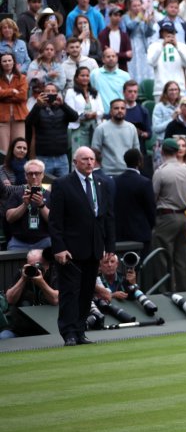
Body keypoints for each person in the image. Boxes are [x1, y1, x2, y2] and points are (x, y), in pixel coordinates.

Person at [49, 146, 116, 346]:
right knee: (70, 292)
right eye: (85, 159)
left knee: (87, 292)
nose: (89, 162)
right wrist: (59, 247)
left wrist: (110, 245)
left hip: (94, 248)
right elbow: (55, 220)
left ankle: (80, 330)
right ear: (75, 162)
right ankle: (68, 332)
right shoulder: (62, 184)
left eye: (92, 159)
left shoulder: (102, 183)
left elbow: (108, 217)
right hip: (70, 249)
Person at [151, 137, 186, 292]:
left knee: (163, 258)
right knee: (181, 259)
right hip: (183, 217)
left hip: (166, 216)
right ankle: (183, 292)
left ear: (162, 151)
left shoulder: (161, 172)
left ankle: (165, 293)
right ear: (176, 152)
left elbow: (153, 197)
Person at [1, 248, 58, 339]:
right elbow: (10, 299)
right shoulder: (22, 274)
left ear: (47, 265)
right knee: (4, 337)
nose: (36, 268)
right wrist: (23, 279)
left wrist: (41, 282)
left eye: (40, 265)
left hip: (48, 328)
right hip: (20, 328)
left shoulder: (54, 274)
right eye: (32, 265)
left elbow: (55, 300)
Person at [25, 82, 78, 178]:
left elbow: (75, 117)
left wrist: (63, 104)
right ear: (43, 94)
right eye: (48, 91)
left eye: (53, 91)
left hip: (62, 158)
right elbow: (28, 123)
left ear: (57, 93)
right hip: (43, 158)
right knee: (44, 188)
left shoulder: (63, 108)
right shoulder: (38, 108)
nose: (50, 93)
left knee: (63, 188)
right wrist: (37, 105)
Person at [113, 149, 156, 257]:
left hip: (120, 232)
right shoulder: (145, 183)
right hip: (141, 234)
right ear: (140, 162)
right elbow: (151, 209)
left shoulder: (115, 181)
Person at [4, 158, 51, 251]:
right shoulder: (17, 193)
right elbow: (9, 218)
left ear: (42, 175)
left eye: (37, 173)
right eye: (30, 173)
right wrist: (24, 204)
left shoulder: (49, 195)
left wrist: (41, 205)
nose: (34, 176)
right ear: (25, 176)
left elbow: (54, 220)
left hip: (43, 241)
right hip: (19, 242)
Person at [90, 98, 140, 177]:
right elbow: (94, 152)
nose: (120, 110)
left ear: (126, 111)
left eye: (122, 108)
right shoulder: (101, 129)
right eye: (116, 108)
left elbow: (136, 151)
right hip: (107, 174)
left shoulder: (132, 128)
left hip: (127, 173)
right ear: (110, 111)